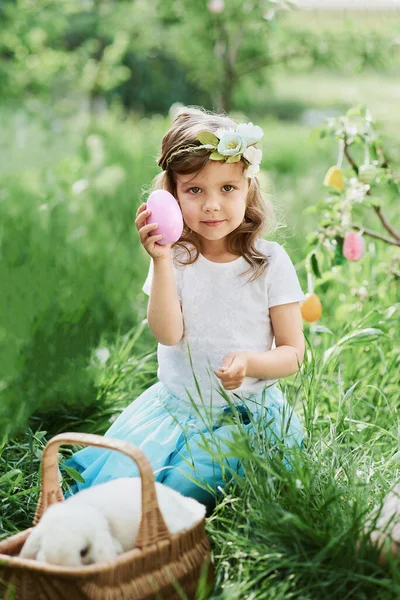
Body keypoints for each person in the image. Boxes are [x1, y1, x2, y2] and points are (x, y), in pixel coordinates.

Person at [63, 106, 306, 515]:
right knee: (133, 496)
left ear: (249, 188)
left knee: (189, 487)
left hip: (246, 415)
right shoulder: (176, 259)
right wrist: (160, 261)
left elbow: (293, 353)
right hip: (178, 410)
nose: (212, 205)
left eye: (228, 188)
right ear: (172, 196)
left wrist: (251, 362)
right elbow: (166, 333)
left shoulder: (270, 262)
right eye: (194, 191)